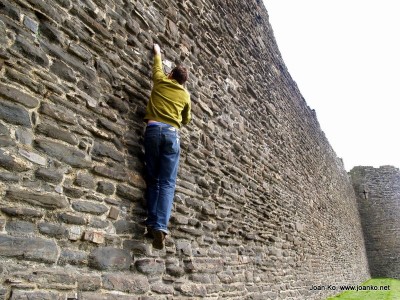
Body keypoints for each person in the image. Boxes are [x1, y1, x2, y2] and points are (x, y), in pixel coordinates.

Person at [143, 43, 191, 250]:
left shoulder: (161, 80)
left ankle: (152, 223)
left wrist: (158, 52)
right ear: (183, 82)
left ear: (171, 74)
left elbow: (156, 67)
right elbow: (186, 119)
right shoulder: (185, 95)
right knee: (167, 183)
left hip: (152, 130)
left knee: (153, 179)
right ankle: (160, 226)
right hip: (172, 134)